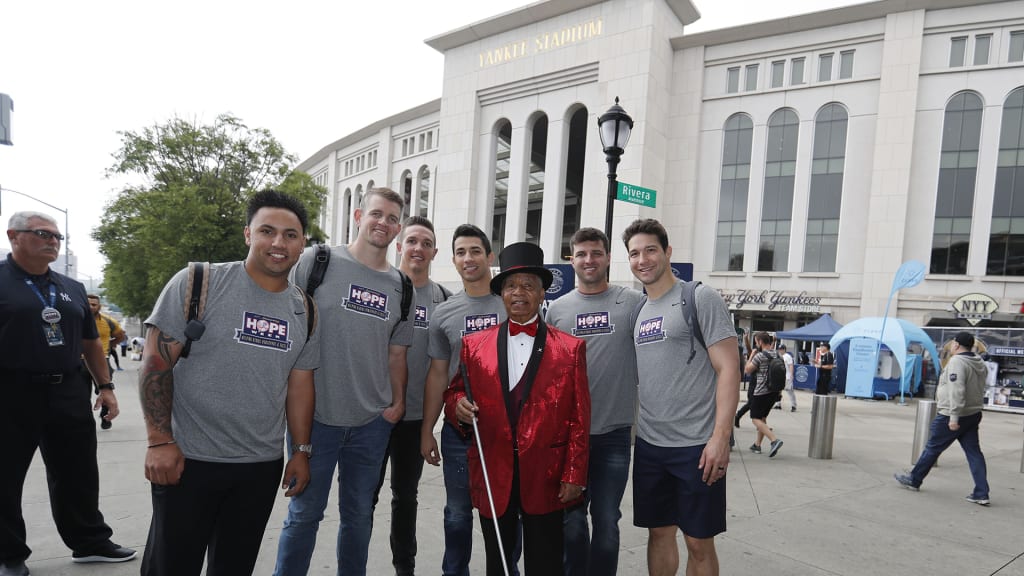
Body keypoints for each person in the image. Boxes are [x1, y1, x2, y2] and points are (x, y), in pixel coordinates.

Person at [138, 190, 319, 576]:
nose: (278, 243)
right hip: (188, 460)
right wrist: (159, 441)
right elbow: (155, 364)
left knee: (234, 567)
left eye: (290, 234)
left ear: (303, 243)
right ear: (247, 234)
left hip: (259, 468)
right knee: (171, 566)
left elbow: (300, 384)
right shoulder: (197, 283)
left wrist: (300, 450)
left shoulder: (304, 308)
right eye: (267, 231)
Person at [275, 187, 413, 576]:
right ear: (358, 216)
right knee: (304, 514)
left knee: (358, 516)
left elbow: (397, 352)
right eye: (376, 214)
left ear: (397, 228)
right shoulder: (316, 261)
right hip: (315, 418)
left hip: (372, 424)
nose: (382, 223)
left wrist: (397, 402)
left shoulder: (402, 286)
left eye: (391, 218)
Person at [1, 212, 136, 576]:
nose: (52, 241)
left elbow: (91, 342)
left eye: (57, 237)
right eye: (43, 234)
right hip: (11, 392)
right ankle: (9, 554)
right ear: (14, 236)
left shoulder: (71, 288)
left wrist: (106, 387)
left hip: (68, 389)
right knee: (5, 475)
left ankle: (89, 541)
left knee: (78, 472)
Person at [445, 242, 590, 576]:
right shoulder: (474, 346)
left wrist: (573, 475)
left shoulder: (570, 350)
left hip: (548, 476)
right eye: (511, 285)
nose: (519, 292)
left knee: (546, 563)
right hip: (493, 471)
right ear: (502, 294)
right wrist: (458, 408)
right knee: (497, 564)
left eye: (528, 285)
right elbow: (454, 393)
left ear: (542, 294)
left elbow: (580, 419)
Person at [623, 218, 739, 576]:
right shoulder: (638, 312)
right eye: (634, 253)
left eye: (650, 250)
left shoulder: (699, 297)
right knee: (658, 534)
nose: (643, 259)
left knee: (698, 541)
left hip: (696, 447)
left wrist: (720, 438)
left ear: (668, 252)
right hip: (651, 445)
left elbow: (729, 369)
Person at [419, 224, 518, 576]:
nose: (468, 258)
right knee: (457, 515)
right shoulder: (444, 313)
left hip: (508, 435)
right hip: (460, 434)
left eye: (475, 251)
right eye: (461, 252)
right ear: (453, 260)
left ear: (490, 256)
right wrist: (427, 430)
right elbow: (436, 375)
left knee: (503, 515)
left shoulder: (513, 302)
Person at [546, 227, 643, 576]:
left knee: (607, 522)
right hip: (569, 437)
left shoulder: (632, 303)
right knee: (571, 524)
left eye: (596, 253)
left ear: (607, 258)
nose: (589, 260)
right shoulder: (556, 310)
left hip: (614, 435)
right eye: (582, 254)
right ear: (571, 259)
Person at [373, 216, 446, 576]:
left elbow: (446, 366)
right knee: (362, 500)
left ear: (434, 251)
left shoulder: (442, 300)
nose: (418, 248)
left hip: (415, 417)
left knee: (406, 497)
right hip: (371, 415)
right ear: (400, 245)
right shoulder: (381, 286)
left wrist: (430, 426)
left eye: (426, 243)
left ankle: (405, 566)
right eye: (412, 240)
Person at [895, 331, 990, 505]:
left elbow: (957, 389)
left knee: (933, 447)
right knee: (974, 453)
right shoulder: (979, 362)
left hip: (952, 414)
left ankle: (914, 479)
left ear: (956, 345)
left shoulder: (957, 362)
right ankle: (981, 492)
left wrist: (954, 417)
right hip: (973, 413)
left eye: (953, 343)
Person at [85, 294, 126, 429]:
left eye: (94, 304)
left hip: (102, 360)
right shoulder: (75, 319)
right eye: (88, 303)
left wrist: (111, 345)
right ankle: (84, 420)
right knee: (81, 394)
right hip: (79, 361)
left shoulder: (108, 321)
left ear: (99, 306)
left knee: (104, 390)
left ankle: (105, 416)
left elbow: (121, 335)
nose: (90, 307)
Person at [744, 332, 784, 457]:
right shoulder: (778, 354)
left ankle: (774, 440)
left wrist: (751, 356)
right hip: (774, 392)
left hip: (761, 392)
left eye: (756, 341)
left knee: (755, 419)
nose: (756, 343)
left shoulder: (760, 356)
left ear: (760, 342)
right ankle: (757, 444)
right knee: (762, 418)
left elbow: (747, 370)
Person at [773, 344, 797, 412]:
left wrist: (791, 374)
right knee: (778, 391)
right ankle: (778, 404)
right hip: (780, 376)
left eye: (781, 349)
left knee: (789, 391)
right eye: (779, 349)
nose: (780, 350)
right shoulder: (778, 356)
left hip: (787, 376)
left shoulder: (788, 356)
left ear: (784, 349)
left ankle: (793, 405)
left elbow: (791, 366)